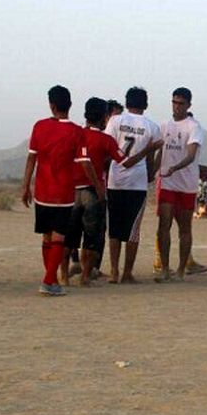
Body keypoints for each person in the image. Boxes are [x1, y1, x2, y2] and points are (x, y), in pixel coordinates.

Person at [70, 97, 156, 286]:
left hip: (96, 186)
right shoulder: (149, 127)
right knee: (123, 232)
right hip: (126, 185)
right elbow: (126, 160)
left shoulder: (82, 132)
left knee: (106, 232)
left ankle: (109, 272)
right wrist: (149, 153)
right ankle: (121, 273)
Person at [21, 85, 83, 295]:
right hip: (64, 192)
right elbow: (83, 162)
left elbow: (32, 158)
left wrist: (25, 185)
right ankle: (49, 280)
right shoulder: (76, 131)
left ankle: (51, 277)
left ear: (51, 105)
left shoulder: (39, 126)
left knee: (47, 237)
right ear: (70, 105)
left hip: (42, 191)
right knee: (59, 237)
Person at [104, 87, 162, 284]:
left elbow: (108, 147)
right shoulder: (152, 127)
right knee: (132, 231)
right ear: (145, 104)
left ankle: (113, 270)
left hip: (115, 181)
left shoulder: (115, 120)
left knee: (114, 228)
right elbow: (150, 160)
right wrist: (150, 174)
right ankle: (127, 272)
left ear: (127, 102)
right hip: (137, 183)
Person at [153, 87, 207, 282]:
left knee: (184, 228)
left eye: (181, 103)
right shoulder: (164, 126)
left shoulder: (193, 127)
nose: (176, 107)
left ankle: (182, 269)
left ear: (188, 105)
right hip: (167, 183)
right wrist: (153, 171)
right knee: (163, 225)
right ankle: (165, 268)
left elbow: (191, 155)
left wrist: (175, 167)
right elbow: (160, 152)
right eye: (174, 102)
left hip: (186, 184)